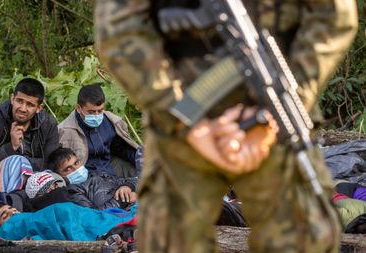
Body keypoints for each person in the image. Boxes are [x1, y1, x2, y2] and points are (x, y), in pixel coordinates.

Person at [95, 0, 358, 252]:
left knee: (305, 237)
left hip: (277, 114)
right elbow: (118, 28)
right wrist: (184, 116)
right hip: (183, 123)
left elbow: (333, 17)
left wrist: (284, 99)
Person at [0, 78, 60, 192]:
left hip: (34, 179)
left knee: (56, 179)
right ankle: (5, 204)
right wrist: (11, 147)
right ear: (12, 99)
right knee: (16, 161)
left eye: (30, 104)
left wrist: (25, 165)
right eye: (19, 101)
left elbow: (51, 163)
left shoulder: (48, 124)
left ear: (39, 108)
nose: (23, 109)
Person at [58, 84, 141, 178]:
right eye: (91, 112)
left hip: (109, 167)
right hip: (86, 177)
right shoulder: (65, 131)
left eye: (100, 110)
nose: (97, 115)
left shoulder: (110, 121)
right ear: (78, 108)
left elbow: (122, 148)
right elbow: (62, 166)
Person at [46, 147, 138, 210]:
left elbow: (135, 180)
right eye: (68, 169)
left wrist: (127, 186)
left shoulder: (99, 175)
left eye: (76, 163)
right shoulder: (72, 192)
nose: (76, 169)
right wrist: (124, 199)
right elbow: (93, 215)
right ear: (59, 176)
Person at [0, 201, 136, 241]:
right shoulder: (6, 232)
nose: (12, 212)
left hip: (72, 215)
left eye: (12, 209)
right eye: (5, 216)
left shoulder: (35, 214)